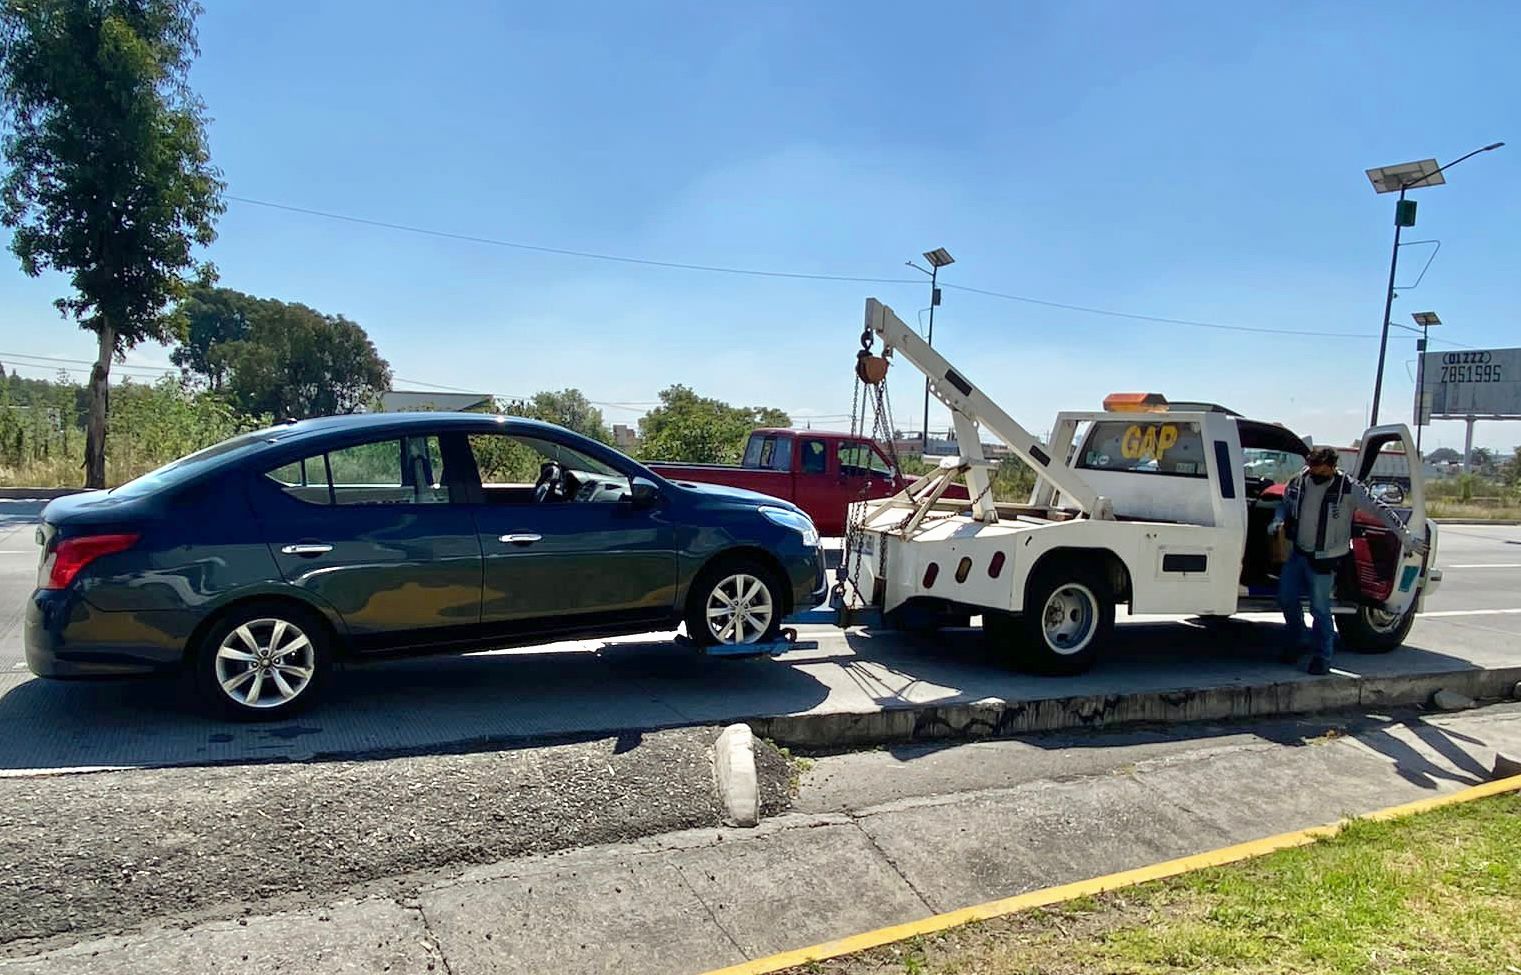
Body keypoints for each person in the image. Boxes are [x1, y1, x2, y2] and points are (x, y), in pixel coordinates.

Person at [1267, 446, 1428, 675]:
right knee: (1286, 598)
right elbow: (1285, 503)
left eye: (1320, 471)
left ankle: (1323, 656)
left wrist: (1405, 536)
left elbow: (1380, 509)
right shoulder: (1301, 481)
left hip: (1324, 559)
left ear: (1332, 468)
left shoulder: (1348, 488)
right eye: (1312, 469)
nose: (1315, 475)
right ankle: (1297, 641)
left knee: (1320, 609)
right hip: (1298, 554)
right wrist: (1278, 519)